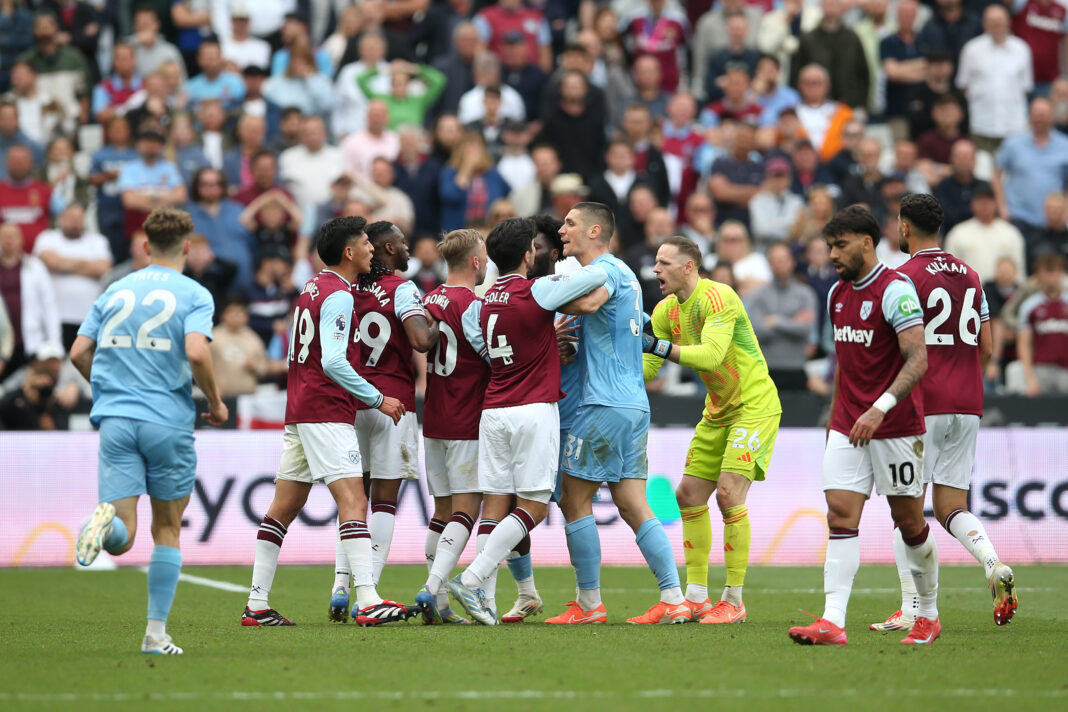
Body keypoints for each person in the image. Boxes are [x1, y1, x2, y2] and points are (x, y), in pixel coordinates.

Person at [70, 207, 228, 655]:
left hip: (116, 419)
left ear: (144, 247)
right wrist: (214, 402)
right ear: (186, 248)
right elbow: (197, 352)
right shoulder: (194, 293)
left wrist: (107, 390)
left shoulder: (116, 289)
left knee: (121, 534)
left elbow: (79, 351)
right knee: (167, 530)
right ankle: (155, 636)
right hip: (166, 419)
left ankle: (96, 525)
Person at [243, 216, 410, 628]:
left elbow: (297, 355)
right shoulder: (339, 295)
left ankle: (256, 603)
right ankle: (368, 599)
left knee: (284, 506)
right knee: (354, 501)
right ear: (350, 252)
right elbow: (334, 360)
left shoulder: (311, 289)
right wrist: (377, 398)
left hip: (300, 408)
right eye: (366, 243)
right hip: (326, 410)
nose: (373, 249)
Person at [787, 205, 938, 647]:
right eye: (829, 245)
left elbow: (919, 359)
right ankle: (833, 621)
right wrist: (834, 419)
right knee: (839, 516)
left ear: (867, 243)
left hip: (895, 427)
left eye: (840, 245)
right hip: (847, 426)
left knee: (909, 522)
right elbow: (846, 367)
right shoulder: (836, 295)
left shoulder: (896, 290)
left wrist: (880, 408)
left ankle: (928, 615)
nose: (832, 254)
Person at [446, 216, 609, 625]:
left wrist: (535, 342)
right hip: (532, 410)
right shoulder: (537, 291)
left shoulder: (479, 303)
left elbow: (483, 344)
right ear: (527, 255)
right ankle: (473, 577)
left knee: (496, 506)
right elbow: (593, 279)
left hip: (493, 410)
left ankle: (486, 599)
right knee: (533, 508)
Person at [873, 192, 1016, 632]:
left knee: (907, 509)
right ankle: (993, 562)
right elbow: (988, 347)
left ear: (904, 227)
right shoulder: (972, 276)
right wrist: (967, 380)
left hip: (922, 403)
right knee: (953, 504)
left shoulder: (904, 276)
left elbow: (898, 347)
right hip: (968, 402)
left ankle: (912, 608)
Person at [538, 202, 683, 626]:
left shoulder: (606, 270)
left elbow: (585, 304)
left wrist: (544, 303)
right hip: (633, 404)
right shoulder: (627, 277)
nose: (562, 230)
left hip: (601, 403)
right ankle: (673, 598)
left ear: (595, 230)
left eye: (570, 223)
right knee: (633, 502)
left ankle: (589, 605)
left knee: (573, 499)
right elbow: (610, 319)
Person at [642, 234, 781, 623]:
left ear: (689, 267)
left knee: (728, 492)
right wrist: (609, 369)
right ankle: (697, 598)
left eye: (664, 263)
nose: (656, 270)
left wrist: (657, 347)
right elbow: (650, 370)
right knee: (688, 495)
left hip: (753, 406)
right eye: (656, 262)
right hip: (718, 409)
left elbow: (711, 356)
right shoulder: (665, 310)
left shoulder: (718, 297)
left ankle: (734, 600)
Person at [329, 220, 439, 615]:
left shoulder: (343, 289)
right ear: (388, 249)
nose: (409, 249)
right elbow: (420, 341)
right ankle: (368, 590)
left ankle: (341, 586)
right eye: (403, 244)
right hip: (393, 404)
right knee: (384, 503)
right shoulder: (403, 289)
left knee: (352, 500)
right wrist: (443, 316)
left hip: (351, 401)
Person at [415, 229, 491, 625]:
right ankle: (431, 588)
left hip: (434, 416)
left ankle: (440, 604)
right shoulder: (473, 306)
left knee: (441, 511)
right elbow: (494, 356)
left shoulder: (428, 299)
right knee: (466, 509)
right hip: (466, 417)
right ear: (476, 262)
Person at [31, 204, 111, 350]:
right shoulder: (47, 238)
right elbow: (51, 262)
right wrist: (87, 265)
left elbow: (103, 268)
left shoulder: (98, 241)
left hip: (88, 319)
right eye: (71, 218)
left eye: (79, 218)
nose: (75, 222)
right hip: (54, 318)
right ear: (60, 218)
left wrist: (64, 264)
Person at [955, 4, 1032, 152]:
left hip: (1014, 126)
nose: (996, 25)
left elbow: (1025, 87)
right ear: (984, 23)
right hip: (981, 125)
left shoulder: (1022, 49)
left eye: (1000, 20)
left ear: (1008, 22)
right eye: (992, 21)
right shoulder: (971, 50)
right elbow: (963, 85)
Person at [747, 242, 818, 390]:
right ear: (769, 264)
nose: (779, 264)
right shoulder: (757, 296)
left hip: (796, 369)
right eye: (774, 260)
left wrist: (775, 321)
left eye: (783, 259)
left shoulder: (806, 294)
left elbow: (805, 329)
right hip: (766, 369)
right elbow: (756, 331)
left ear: (792, 262)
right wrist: (792, 322)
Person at [993, 98, 1068, 232]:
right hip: (1018, 217)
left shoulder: (1065, 145)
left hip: (1052, 220)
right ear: (1029, 115)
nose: (1040, 118)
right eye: (1037, 113)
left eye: (1044, 114)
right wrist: (1002, 208)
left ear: (1053, 116)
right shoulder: (1013, 143)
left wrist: (1066, 210)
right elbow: (996, 175)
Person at [0, 220, 60, 378]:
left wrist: (55, 344)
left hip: (31, 343)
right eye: (5, 236)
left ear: (21, 239)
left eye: (13, 236)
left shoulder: (36, 267)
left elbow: (49, 306)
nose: (9, 240)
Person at [1008, 251, 1068, 395]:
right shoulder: (1030, 306)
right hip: (1040, 369)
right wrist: (1029, 378)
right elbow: (1024, 343)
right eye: (1047, 272)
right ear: (1039, 275)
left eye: (1054, 272)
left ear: (1061, 273)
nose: (1051, 277)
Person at [944, 185, 1026, 280]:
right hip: (968, 291)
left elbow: (1019, 272)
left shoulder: (1011, 233)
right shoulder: (958, 233)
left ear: (996, 203)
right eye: (980, 200)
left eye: (988, 200)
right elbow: (949, 272)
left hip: (1002, 292)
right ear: (972, 204)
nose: (984, 205)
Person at [210, 295, 267, 397]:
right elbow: (202, 366)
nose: (237, 316)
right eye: (233, 312)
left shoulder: (253, 338)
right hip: (220, 397)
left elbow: (264, 367)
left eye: (240, 312)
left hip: (248, 398)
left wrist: (255, 366)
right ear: (223, 315)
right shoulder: (213, 337)